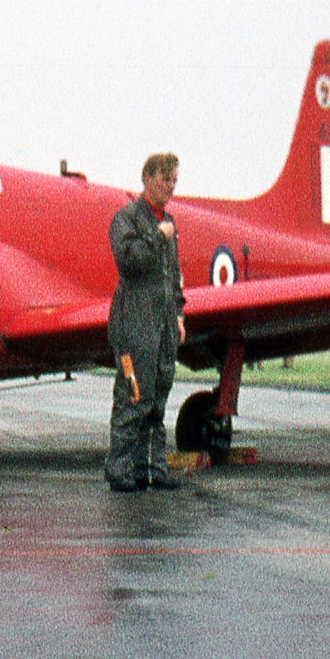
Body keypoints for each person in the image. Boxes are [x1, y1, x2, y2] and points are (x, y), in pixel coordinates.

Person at [104, 153, 186, 492]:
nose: (170, 186)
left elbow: (174, 276)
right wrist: (158, 237)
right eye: (165, 178)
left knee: (158, 398)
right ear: (147, 179)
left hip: (163, 326)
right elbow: (129, 262)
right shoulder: (126, 219)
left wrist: (179, 313)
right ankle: (119, 469)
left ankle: (152, 469)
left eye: (173, 179)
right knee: (133, 395)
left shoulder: (168, 223)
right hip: (132, 328)